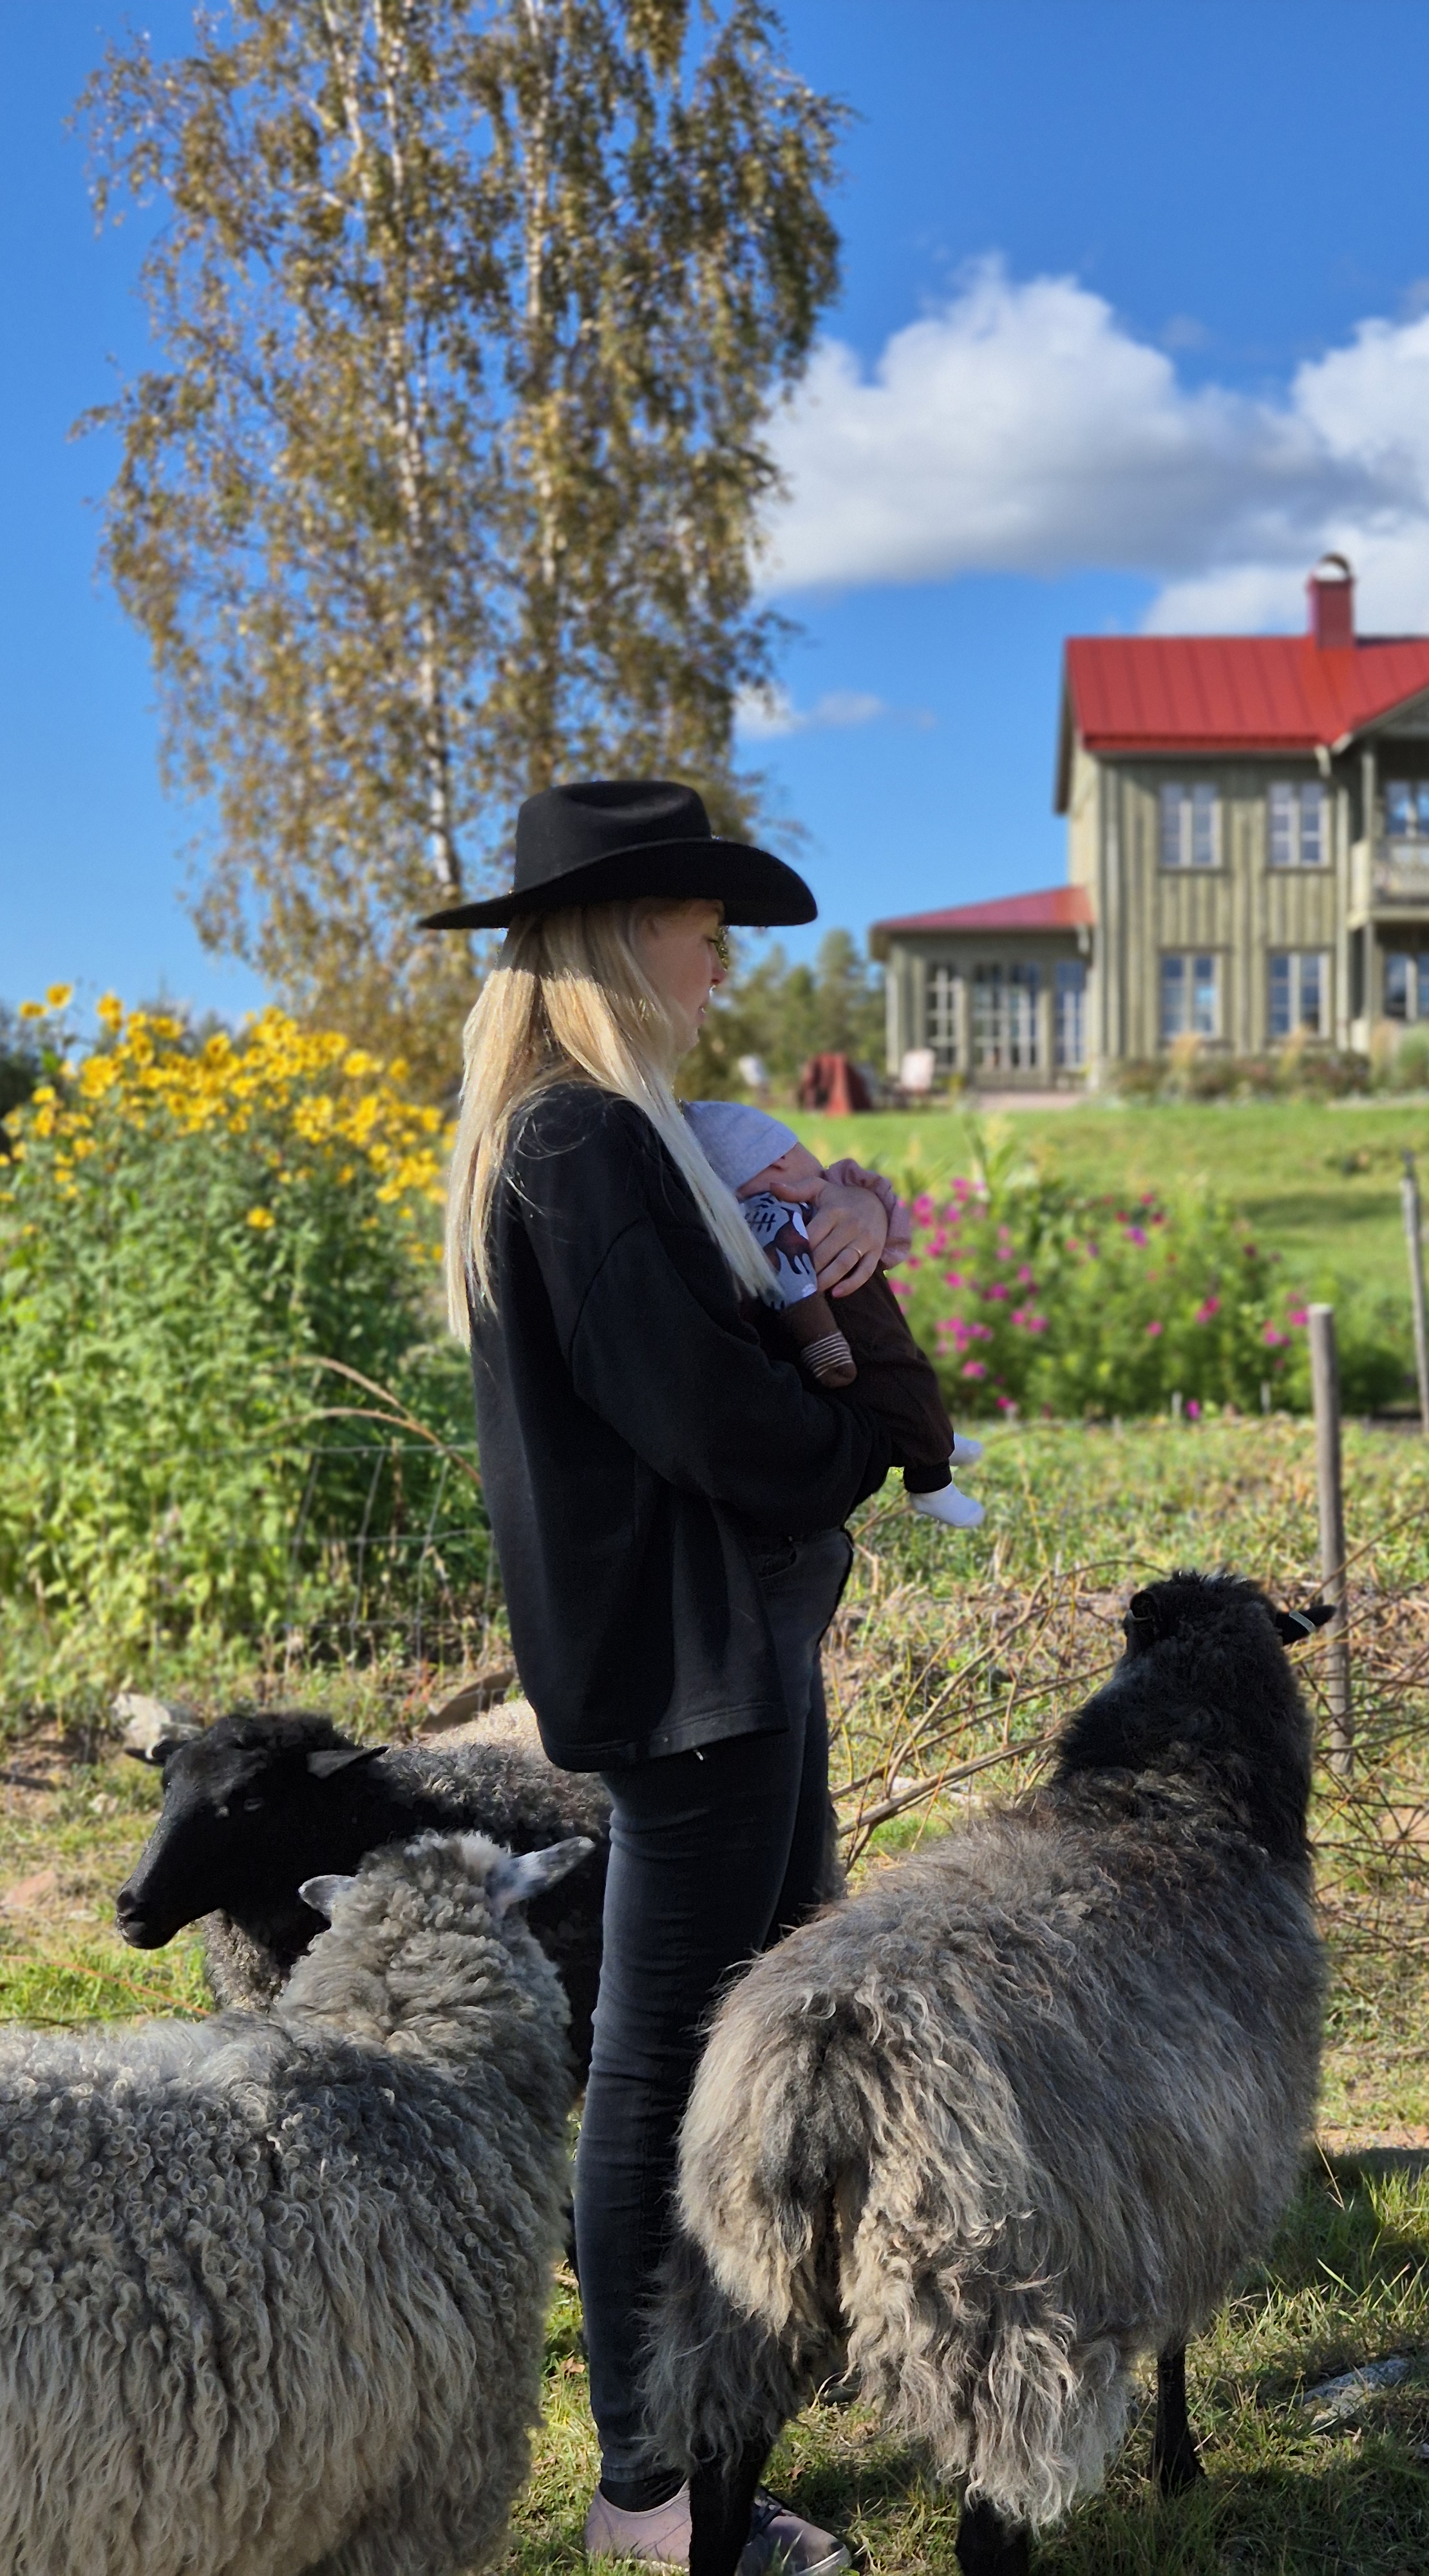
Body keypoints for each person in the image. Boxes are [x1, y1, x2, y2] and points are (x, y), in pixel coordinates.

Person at [426, 779, 892, 2574]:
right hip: (700, 1665)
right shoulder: (581, 1149)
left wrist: (847, 1210)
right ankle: (647, 2485)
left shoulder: (608, 1134)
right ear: (630, 933)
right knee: (659, 2064)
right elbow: (719, 1419)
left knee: (742, 2030)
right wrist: (853, 1411)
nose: (722, 950)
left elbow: (761, 1246)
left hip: (722, 1650)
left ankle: (727, 2405)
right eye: (701, 917)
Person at [683, 1100, 987, 1529]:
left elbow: (888, 1234)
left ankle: (936, 1436)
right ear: (780, 1160)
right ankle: (934, 1485)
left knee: (908, 1380)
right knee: (900, 1381)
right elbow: (797, 1291)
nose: (818, 1164)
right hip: (853, 1338)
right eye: (800, 1148)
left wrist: (866, 1202)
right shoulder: (776, 1217)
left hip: (866, 1324)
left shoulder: (812, 1203)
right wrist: (824, 1343)